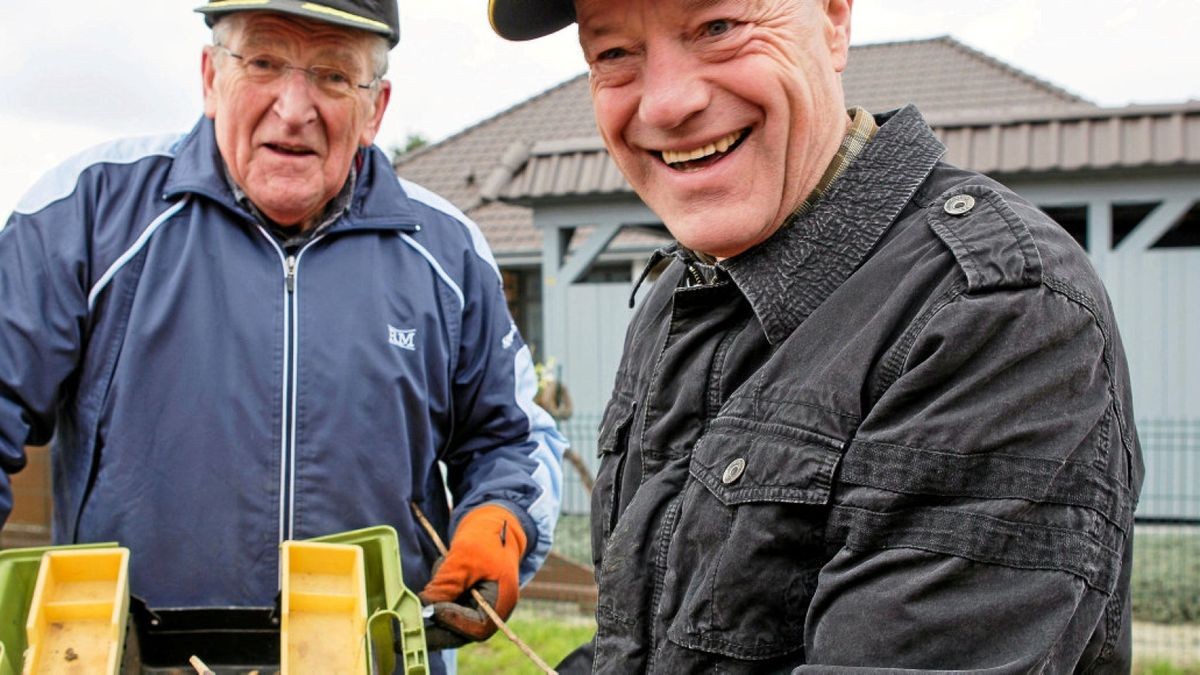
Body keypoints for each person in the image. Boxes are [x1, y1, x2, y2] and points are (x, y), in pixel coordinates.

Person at [489, 0, 1144, 672]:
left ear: (834, 18)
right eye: (613, 55)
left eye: (719, 28)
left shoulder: (991, 308)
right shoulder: (680, 294)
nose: (666, 104)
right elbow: (644, 643)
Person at [0, 1, 565, 671]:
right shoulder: (86, 214)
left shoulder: (449, 252)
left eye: (332, 75)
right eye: (263, 61)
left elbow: (513, 437)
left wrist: (504, 516)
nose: (294, 108)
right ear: (211, 76)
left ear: (375, 108)